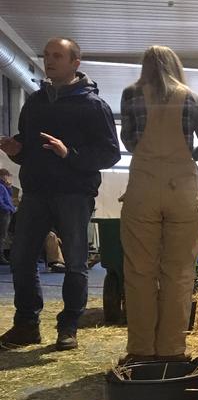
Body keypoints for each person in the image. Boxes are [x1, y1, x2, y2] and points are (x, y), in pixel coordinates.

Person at [0, 37, 120, 351]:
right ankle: (27, 324)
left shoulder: (94, 106)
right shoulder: (35, 103)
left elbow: (110, 154)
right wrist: (16, 150)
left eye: (57, 56)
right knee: (22, 259)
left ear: (75, 63)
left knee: (76, 263)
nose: (49, 61)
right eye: (46, 55)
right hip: (36, 191)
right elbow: (27, 150)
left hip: (74, 194)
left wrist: (70, 154)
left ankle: (68, 327)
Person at [119, 45, 198, 364]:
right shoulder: (191, 97)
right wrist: (184, 157)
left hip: (143, 186)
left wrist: (150, 157)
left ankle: (141, 350)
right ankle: (173, 350)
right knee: (179, 271)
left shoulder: (131, 94)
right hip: (182, 189)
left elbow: (129, 141)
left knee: (139, 271)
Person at [0, 168, 17, 264]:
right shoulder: (0, 186)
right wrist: (9, 208)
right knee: (2, 235)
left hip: (6, 212)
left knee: (4, 235)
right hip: (3, 212)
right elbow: (1, 201)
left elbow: (9, 197)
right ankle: (0, 256)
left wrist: (9, 187)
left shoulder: (3, 186)